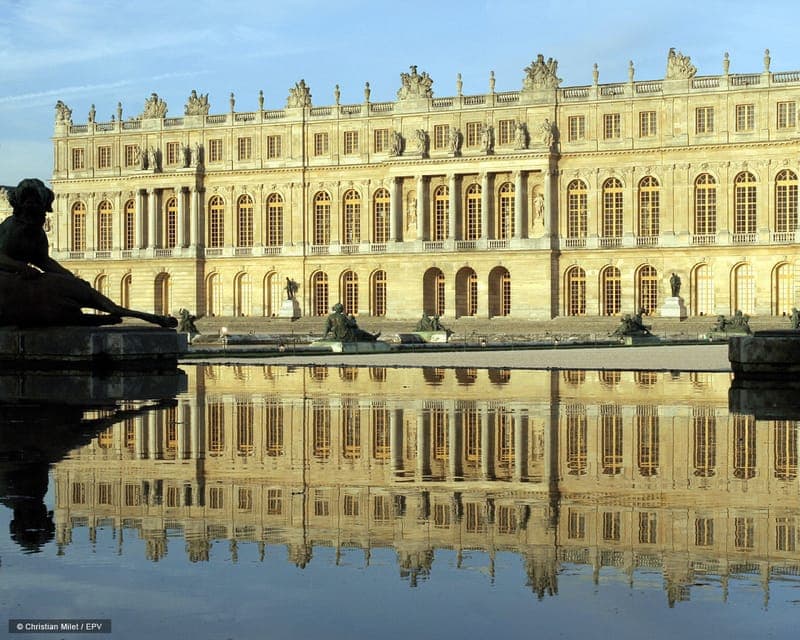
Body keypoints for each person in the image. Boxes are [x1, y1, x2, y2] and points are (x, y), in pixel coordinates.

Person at [0, 178, 177, 328]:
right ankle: (95, 318)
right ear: (21, 207)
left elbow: (44, 262)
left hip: (25, 280)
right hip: (8, 284)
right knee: (46, 296)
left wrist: (71, 277)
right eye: (29, 205)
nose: (39, 214)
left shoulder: (36, 232)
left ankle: (139, 316)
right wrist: (20, 267)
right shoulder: (12, 228)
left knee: (62, 286)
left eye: (38, 206)